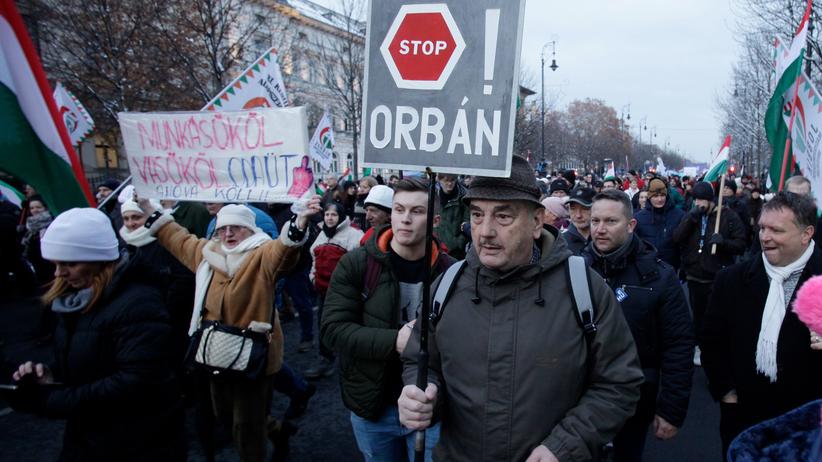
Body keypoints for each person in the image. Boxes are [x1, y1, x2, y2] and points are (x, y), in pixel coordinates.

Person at [397, 156, 643, 461]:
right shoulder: (447, 285)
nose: (485, 231)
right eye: (476, 215)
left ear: (537, 221)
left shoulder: (584, 289)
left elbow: (619, 383)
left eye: (503, 217)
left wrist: (564, 446)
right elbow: (419, 362)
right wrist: (422, 395)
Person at [139, 197, 321, 462]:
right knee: (225, 416)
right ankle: (276, 429)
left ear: (250, 230)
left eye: (236, 228)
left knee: (246, 429)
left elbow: (283, 252)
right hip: (216, 353)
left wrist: (301, 220)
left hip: (254, 358)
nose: (228, 233)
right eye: (223, 228)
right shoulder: (207, 254)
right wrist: (148, 208)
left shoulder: (262, 254)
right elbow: (176, 237)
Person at [8, 208, 185, 461]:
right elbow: (89, 356)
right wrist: (51, 374)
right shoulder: (73, 300)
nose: (59, 273)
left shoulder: (139, 304)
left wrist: (53, 399)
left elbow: (136, 382)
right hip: (90, 438)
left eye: (70, 263)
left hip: (138, 443)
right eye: (56, 264)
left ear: (98, 259)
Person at [321, 178, 455, 461]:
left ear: (435, 220)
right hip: (374, 406)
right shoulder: (358, 263)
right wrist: (395, 341)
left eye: (417, 211)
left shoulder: (451, 272)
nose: (405, 219)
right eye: (399, 209)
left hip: (429, 407)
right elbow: (332, 330)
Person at [700, 192, 822, 458]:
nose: (764, 237)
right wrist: (726, 392)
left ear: (806, 234)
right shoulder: (731, 280)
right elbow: (712, 341)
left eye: (776, 230)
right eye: (762, 228)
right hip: (745, 418)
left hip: (810, 424)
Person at [582, 190, 694, 461]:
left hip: (635, 398)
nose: (600, 229)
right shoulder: (573, 269)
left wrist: (671, 410)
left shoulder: (660, 277)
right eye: (595, 221)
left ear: (631, 225)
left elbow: (678, 345)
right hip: (578, 397)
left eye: (610, 221)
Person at [673, 181, 746, 365]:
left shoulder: (729, 217)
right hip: (695, 275)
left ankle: (718, 350)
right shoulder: (693, 215)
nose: (698, 204)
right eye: (696, 200)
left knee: (716, 316)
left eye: (702, 200)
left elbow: (741, 244)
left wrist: (723, 243)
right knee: (698, 316)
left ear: (711, 200)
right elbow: (677, 237)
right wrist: (692, 218)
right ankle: (699, 346)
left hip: (717, 276)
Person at [305, 201, 364, 379]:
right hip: (324, 292)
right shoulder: (320, 235)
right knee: (324, 324)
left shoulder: (354, 235)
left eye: (334, 215)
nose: (330, 218)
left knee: (347, 325)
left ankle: (352, 362)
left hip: (346, 293)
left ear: (341, 217)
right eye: (327, 214)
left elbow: (360, 265)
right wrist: (314, 278)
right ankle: (325, 359)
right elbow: (314, 260)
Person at [634, 177, 686, 270]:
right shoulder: (639, 218)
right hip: (647, 268)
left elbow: (684, 244)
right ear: (650, 197)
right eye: (655, 196)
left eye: (662, 195)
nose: (659, 199)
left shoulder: (679, 215)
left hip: (672, 267)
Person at [20, 194, 54, 284]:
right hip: (37, 269)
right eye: (32, 208)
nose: (34, 210)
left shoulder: (51, 224)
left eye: (38, 207)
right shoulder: (29, 226)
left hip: (50, 268)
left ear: (45, 208)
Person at [435, 173, 469, 259]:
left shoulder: (463, 196)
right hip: (436, 246)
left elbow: (467, 220)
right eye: (446, 180)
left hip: (455, 251)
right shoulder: (433, 195)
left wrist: (459, 243)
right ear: (439, 180)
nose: (449, 183)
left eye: (452, 180)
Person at [564, 187, 595, 254]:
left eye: (584, 208)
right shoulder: (561, 242)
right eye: (573, 208)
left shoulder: (604, 238)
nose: (578, 215)